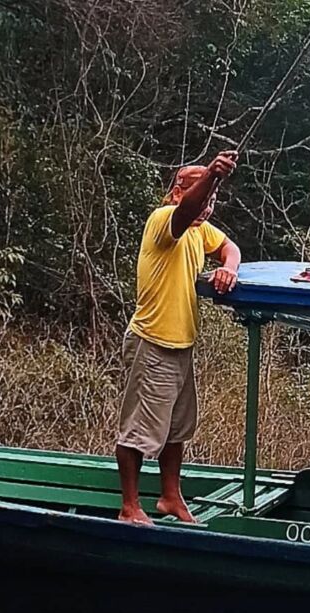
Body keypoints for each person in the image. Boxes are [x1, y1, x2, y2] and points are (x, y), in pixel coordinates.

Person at [116, 151, 242, 525]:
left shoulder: (200, 230)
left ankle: (171, 497)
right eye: (203, 196)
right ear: (176, 193)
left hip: (181, 344)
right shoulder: (164, 220)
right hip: (152, 340)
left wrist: (228, 268)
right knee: (140, 428)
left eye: (213, 201)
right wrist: (212, 177)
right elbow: (187, 211)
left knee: (176, 428)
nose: (207, 206)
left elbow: (228, 247)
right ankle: (130, 507)